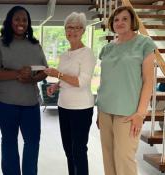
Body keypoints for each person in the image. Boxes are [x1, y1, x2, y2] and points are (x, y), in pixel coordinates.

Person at [0, 6, 47, 175]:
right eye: (17, 19)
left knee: (33, 142)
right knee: (9, 141)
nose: (21, 23)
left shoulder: (35, 45)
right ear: (10, 21)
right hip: (5, 104)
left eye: (25, 20)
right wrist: (17, 73)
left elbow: (43, 70)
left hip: (31, 103)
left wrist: (32, 78)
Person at [96, 6, 156, 175]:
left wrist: (141, 113)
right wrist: (99, 110)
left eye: (124, 19)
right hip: (105, 110)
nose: (120, 22)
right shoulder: (107, 48)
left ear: (132, 22)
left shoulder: (144, 43)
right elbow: (104, 81)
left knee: (124, 158)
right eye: (116, 19)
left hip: (129, 112)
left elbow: (148, 81)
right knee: (108, 157)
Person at [44, 12, 96, 175]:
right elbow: (66, 78)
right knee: (68, 150)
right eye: (69, 27)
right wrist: (56, 86)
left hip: (81, 108)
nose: (72, 31)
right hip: (64, 106)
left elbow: (82, 82)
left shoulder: (87, 53)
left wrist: (57, 75)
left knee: (79, 150)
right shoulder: (65, 54)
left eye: (76, 27)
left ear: (83, 30)